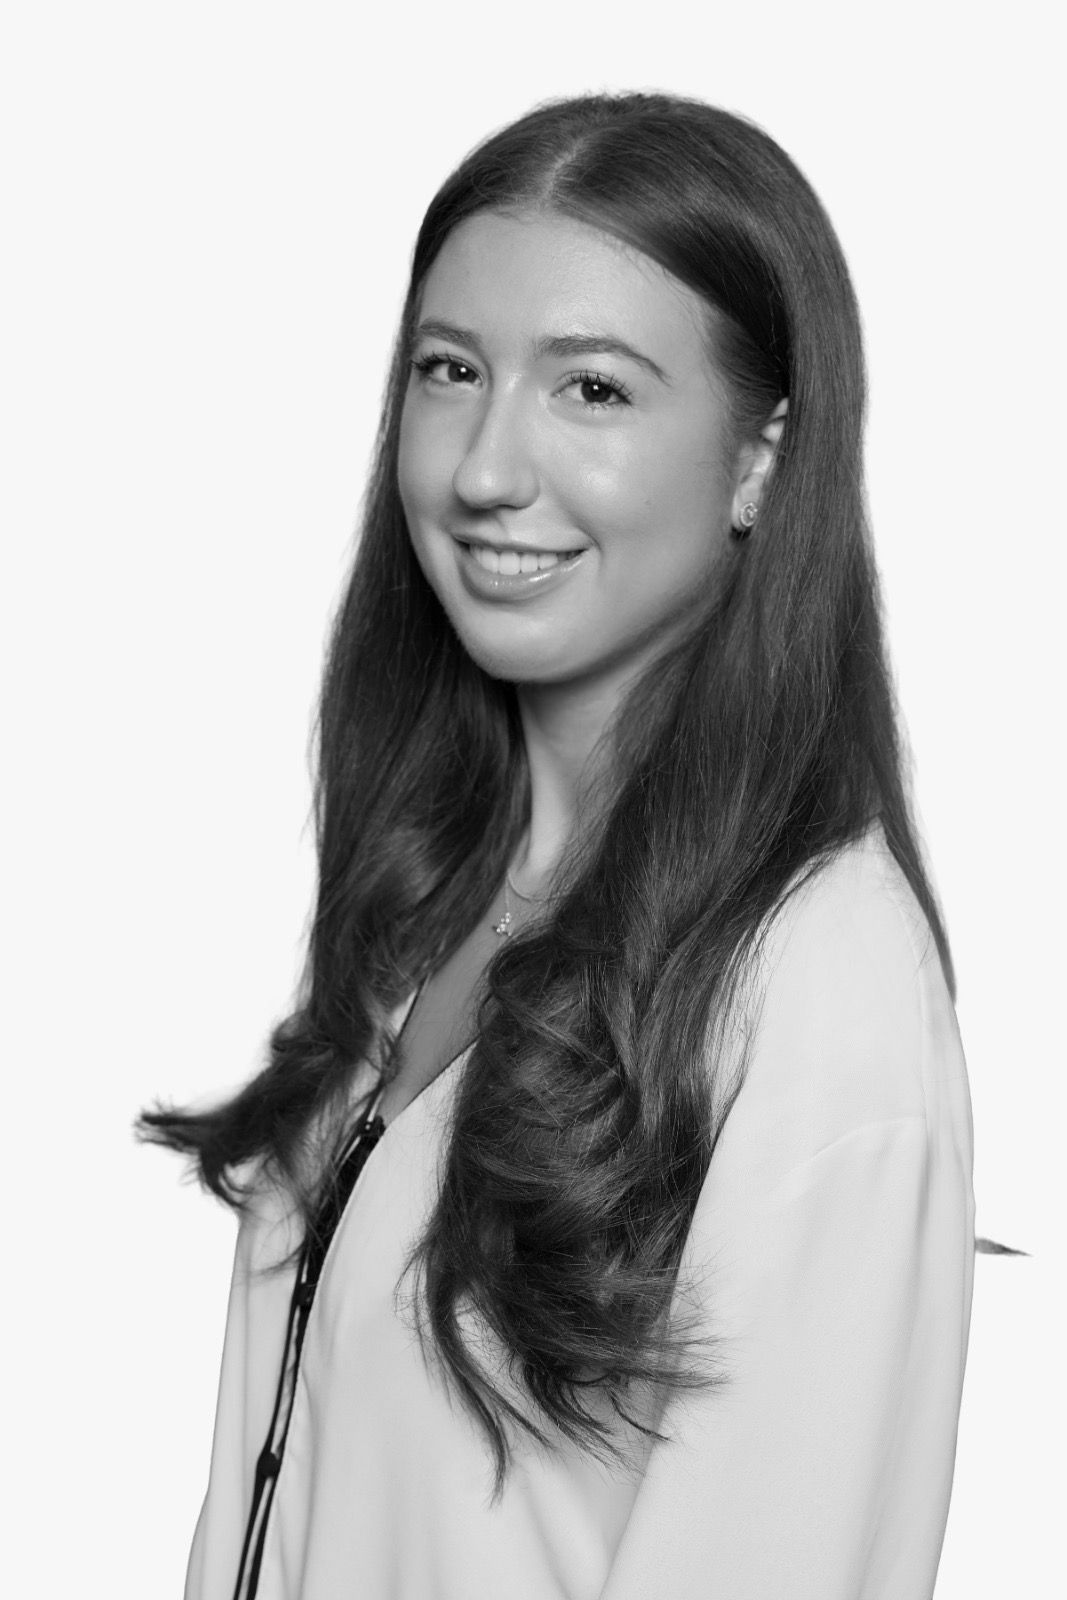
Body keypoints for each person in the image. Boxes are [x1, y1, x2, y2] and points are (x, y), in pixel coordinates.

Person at [139, 91, 976, 1600]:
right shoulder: (423, 900)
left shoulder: (816, 973)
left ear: (761, 460)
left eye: (592, 389)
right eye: (450, 370)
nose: (483, 468)